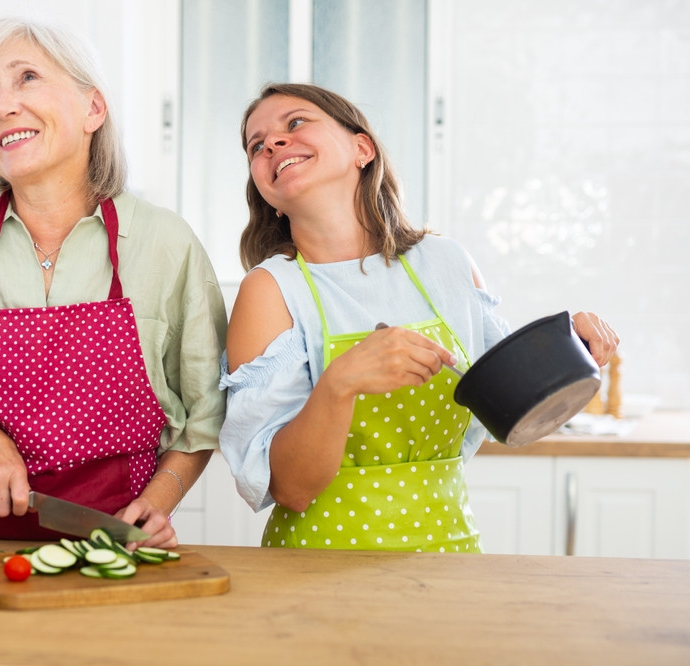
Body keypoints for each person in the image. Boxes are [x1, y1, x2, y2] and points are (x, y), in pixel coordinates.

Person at [0, 18, 226, 548]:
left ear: (93, 109)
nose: (2, 105)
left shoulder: (163, 241)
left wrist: (158, 503)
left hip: (115, 544)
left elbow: (205, 410)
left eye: (27, 78)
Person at [219, 83, 619, 552]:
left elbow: (510, 407)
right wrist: (339, 383)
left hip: (451, 554)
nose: (272, 144)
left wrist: (570, 351)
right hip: (317, 568)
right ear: (266, 191)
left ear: (361, 149)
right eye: (256, 145)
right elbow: (291, 488)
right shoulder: (269, 291)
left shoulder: (447, 263)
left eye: (296, 123)